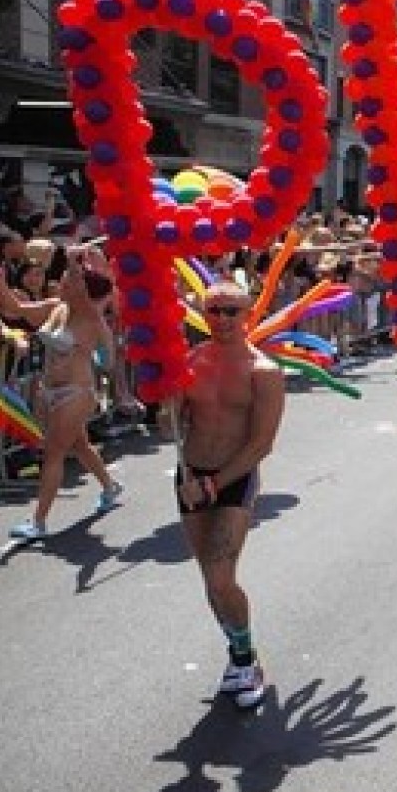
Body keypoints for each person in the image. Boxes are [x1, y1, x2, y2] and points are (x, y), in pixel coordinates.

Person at [161, 281, 285, 709]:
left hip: (233, 478)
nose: (223, 319)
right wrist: (167, 403)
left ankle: (247, 661)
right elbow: (171, 428)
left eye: (232, 311)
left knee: (221, 578)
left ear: (247, 314)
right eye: (215, 310)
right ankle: (237, 657)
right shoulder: (189, 362)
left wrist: (214, 484)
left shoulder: (264, 372)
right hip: (189, 473)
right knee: (210, 584)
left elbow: (262, 443)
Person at [0, 252, 124, 540]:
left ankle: (38, 522)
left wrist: (75, 261)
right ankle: (109, 485)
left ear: (82, 287)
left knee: (54, 453)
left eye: (69, 280)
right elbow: (16, 308)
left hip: (76, 393)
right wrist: (1, 283)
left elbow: (108, 361)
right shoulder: (55, 308)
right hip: (50, 391)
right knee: (79, 445)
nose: (61, 283)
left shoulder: (91, 318)